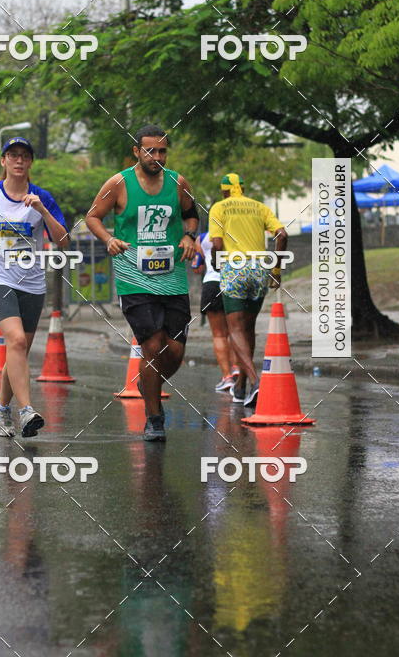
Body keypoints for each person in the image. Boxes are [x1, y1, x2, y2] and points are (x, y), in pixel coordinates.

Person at [86, 124, 198, 442]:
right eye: (150, 150)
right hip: (134, 278)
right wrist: (108, 238)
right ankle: (154, 417)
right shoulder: (119, 183)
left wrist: (190, 236)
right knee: (151, 345)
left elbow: (192, 215)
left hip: (173, 278)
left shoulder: (178, 182)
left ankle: (147, 384)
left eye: (162, 150)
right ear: (137, 151)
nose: (156, 156)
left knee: (174, 350)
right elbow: (92, 216)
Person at [0, 136, 68, 438]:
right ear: (4, 161)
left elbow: (63, 241)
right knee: (16, 340)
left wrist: (43, 212)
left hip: (32, 282)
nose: (19, 160)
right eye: (13, 155)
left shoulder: (42, 197)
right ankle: (26, 410)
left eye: (24, 156)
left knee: (17, 349)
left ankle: (1, 407)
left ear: (30, 162)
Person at [209, 173, 287, 412]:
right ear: (242, 188)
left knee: (235, 329)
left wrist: (215, 262)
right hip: (259, 270)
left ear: (224, 191)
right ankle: (241, 386)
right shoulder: (259, 207)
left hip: (235, 269)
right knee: (247, 328)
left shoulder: (219, 208)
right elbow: (282, 235)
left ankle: (255, 382)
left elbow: (217, 244)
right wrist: (276, 269)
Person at [192, 232, 239, 393]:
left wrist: (200, 259)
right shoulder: (238, 231)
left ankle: (227, 378)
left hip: (212, 283)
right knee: (236, 331)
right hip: (235, 282)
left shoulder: (202, 237)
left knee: (219, 335)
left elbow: (197, 266)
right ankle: (237, 368)